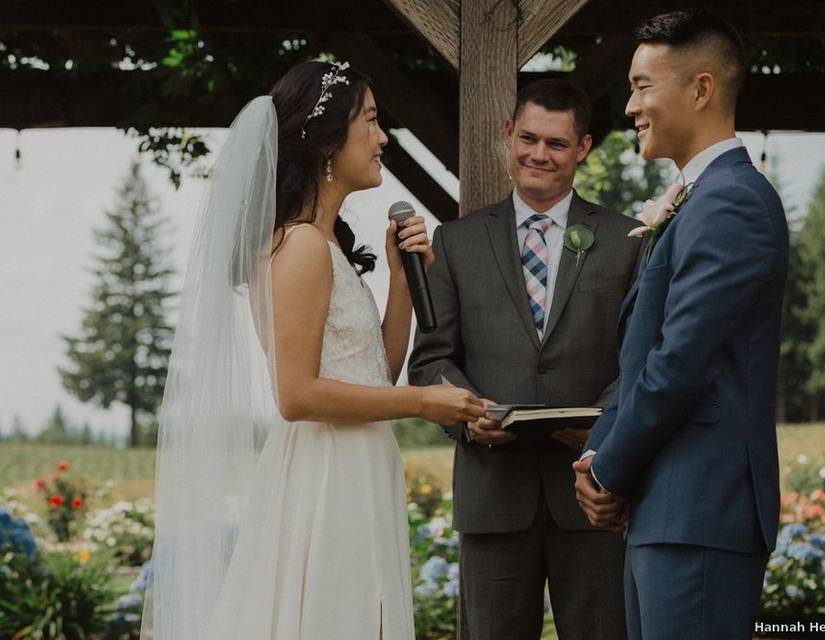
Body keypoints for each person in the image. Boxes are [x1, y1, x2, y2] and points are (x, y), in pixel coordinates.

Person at [145, 59, 486, 640]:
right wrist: (423, 402)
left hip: (357, 464)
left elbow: (375, 368)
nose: (383, 139)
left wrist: (402, 281)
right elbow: (296, 395)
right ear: (328, 139)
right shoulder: (300, 247)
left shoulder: (323, 244)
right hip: (326, 476)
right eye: (372, 122)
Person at [574, 10, 788, 639]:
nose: (631, 106)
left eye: (643, 86)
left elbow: (679, 363)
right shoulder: (699, 200)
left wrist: (608, 470)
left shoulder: (732, 202)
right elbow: (640, 357)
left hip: (700, 511)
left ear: (700, 89)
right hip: (666, 511)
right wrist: (596, 456)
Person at [408, 79, 637, 640]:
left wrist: (603, 426)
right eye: (528, 138)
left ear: (582, 147)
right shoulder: (457, 242)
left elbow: (643, 355)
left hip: (593, 493)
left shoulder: (627, 238)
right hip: (492, 495)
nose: (539, 154)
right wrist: (470, 415)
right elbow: (431, 360)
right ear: (508, 134)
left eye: (556, 144)